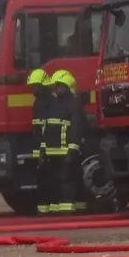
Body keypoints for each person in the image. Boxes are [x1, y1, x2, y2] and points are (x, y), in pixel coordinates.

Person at [42, 70, 82, 215]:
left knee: (67, 179)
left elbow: (76, 127)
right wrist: (43, 149)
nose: (57, 89)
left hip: (66, 149)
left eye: (60, 86)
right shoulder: (53, 103)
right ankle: (55, 207)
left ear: (68, 85)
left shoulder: (73, 103)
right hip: (52, 150)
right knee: (53, 180)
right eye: (56, 86)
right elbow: (46, 127)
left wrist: (72, 148)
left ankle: (66, 207)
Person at [27, 68, 53, 215]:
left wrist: (42, 148)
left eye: (35, 85)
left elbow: (44, 127)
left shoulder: (44, 102)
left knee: (45, 178)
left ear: (43, 85)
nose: (33, 88)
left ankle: (45, 208)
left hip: (45, 146)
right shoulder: (40, 101)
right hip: (41, 145)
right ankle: (44, 207)